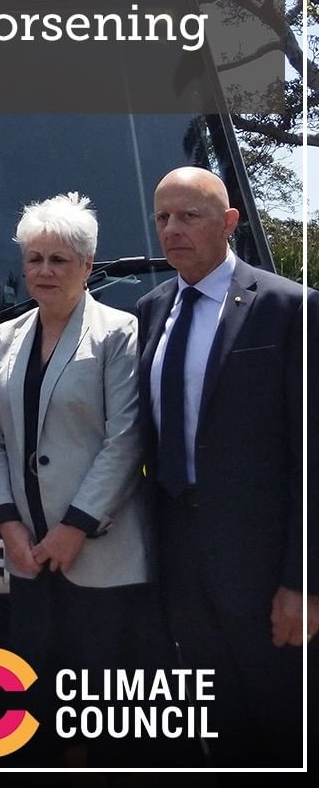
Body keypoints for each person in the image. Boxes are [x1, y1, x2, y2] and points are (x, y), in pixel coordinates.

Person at [138, 166, 317, 767]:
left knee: (284, 727)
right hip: (180, 563)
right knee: (216, 734)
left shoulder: (290, 308)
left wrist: (305, 581)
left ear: (230, 222)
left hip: (265, 572)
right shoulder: (151, 309)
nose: (172, 230)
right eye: (163, 217)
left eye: (190, 216)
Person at [0, 193, 152, 761]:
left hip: (96, 554)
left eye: (60, 259)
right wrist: (8, 528)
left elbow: (125, 440)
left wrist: (74, 528)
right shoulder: (7, 337)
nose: (44, 271)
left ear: (87, 266)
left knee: (99, 714)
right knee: (31, 706)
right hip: (28, 554)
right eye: (34, 259)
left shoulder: (117, 332)